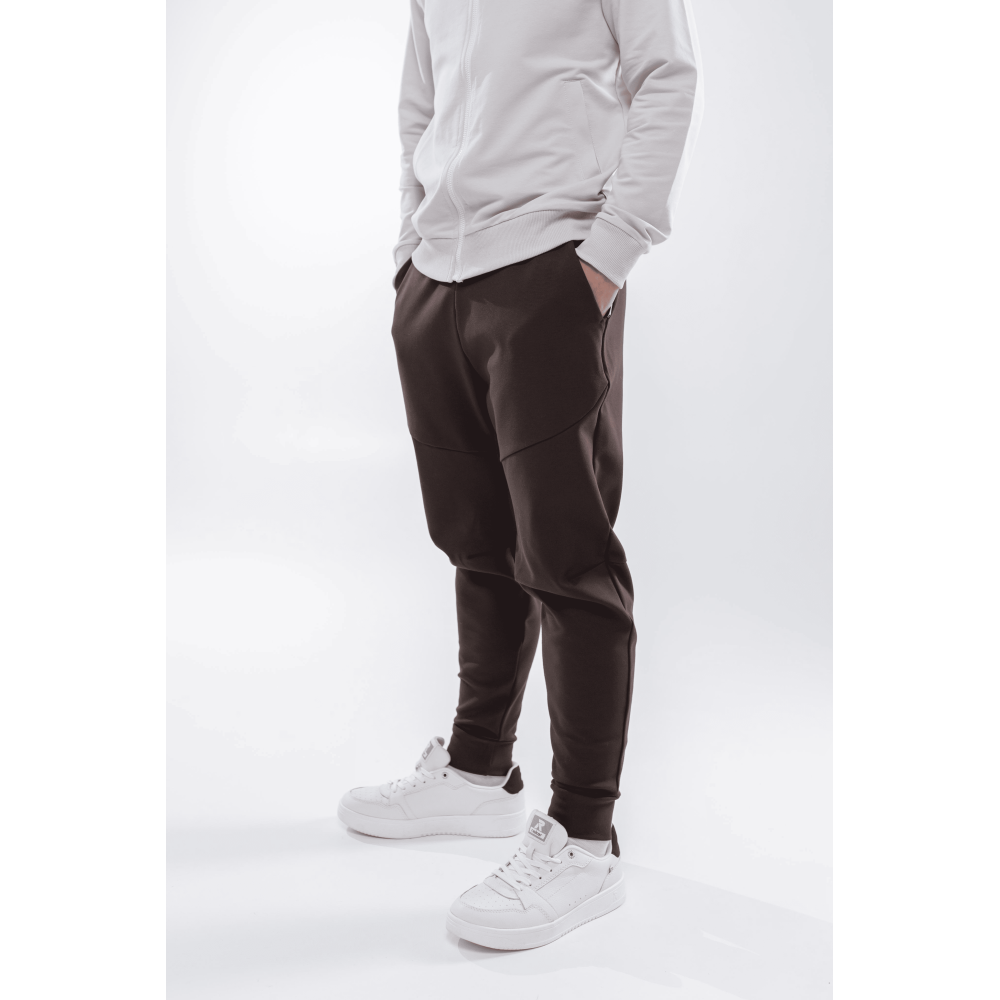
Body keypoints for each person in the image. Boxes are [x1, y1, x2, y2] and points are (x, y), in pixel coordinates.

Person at [339, 0, 702, 950]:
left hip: (551, 267)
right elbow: (421, 101)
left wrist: (610, 254)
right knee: (476, 538)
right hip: (438, 278)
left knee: (568, 559)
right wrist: (410, 250)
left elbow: (666, 73)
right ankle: (475, 770)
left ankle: (585, 837)